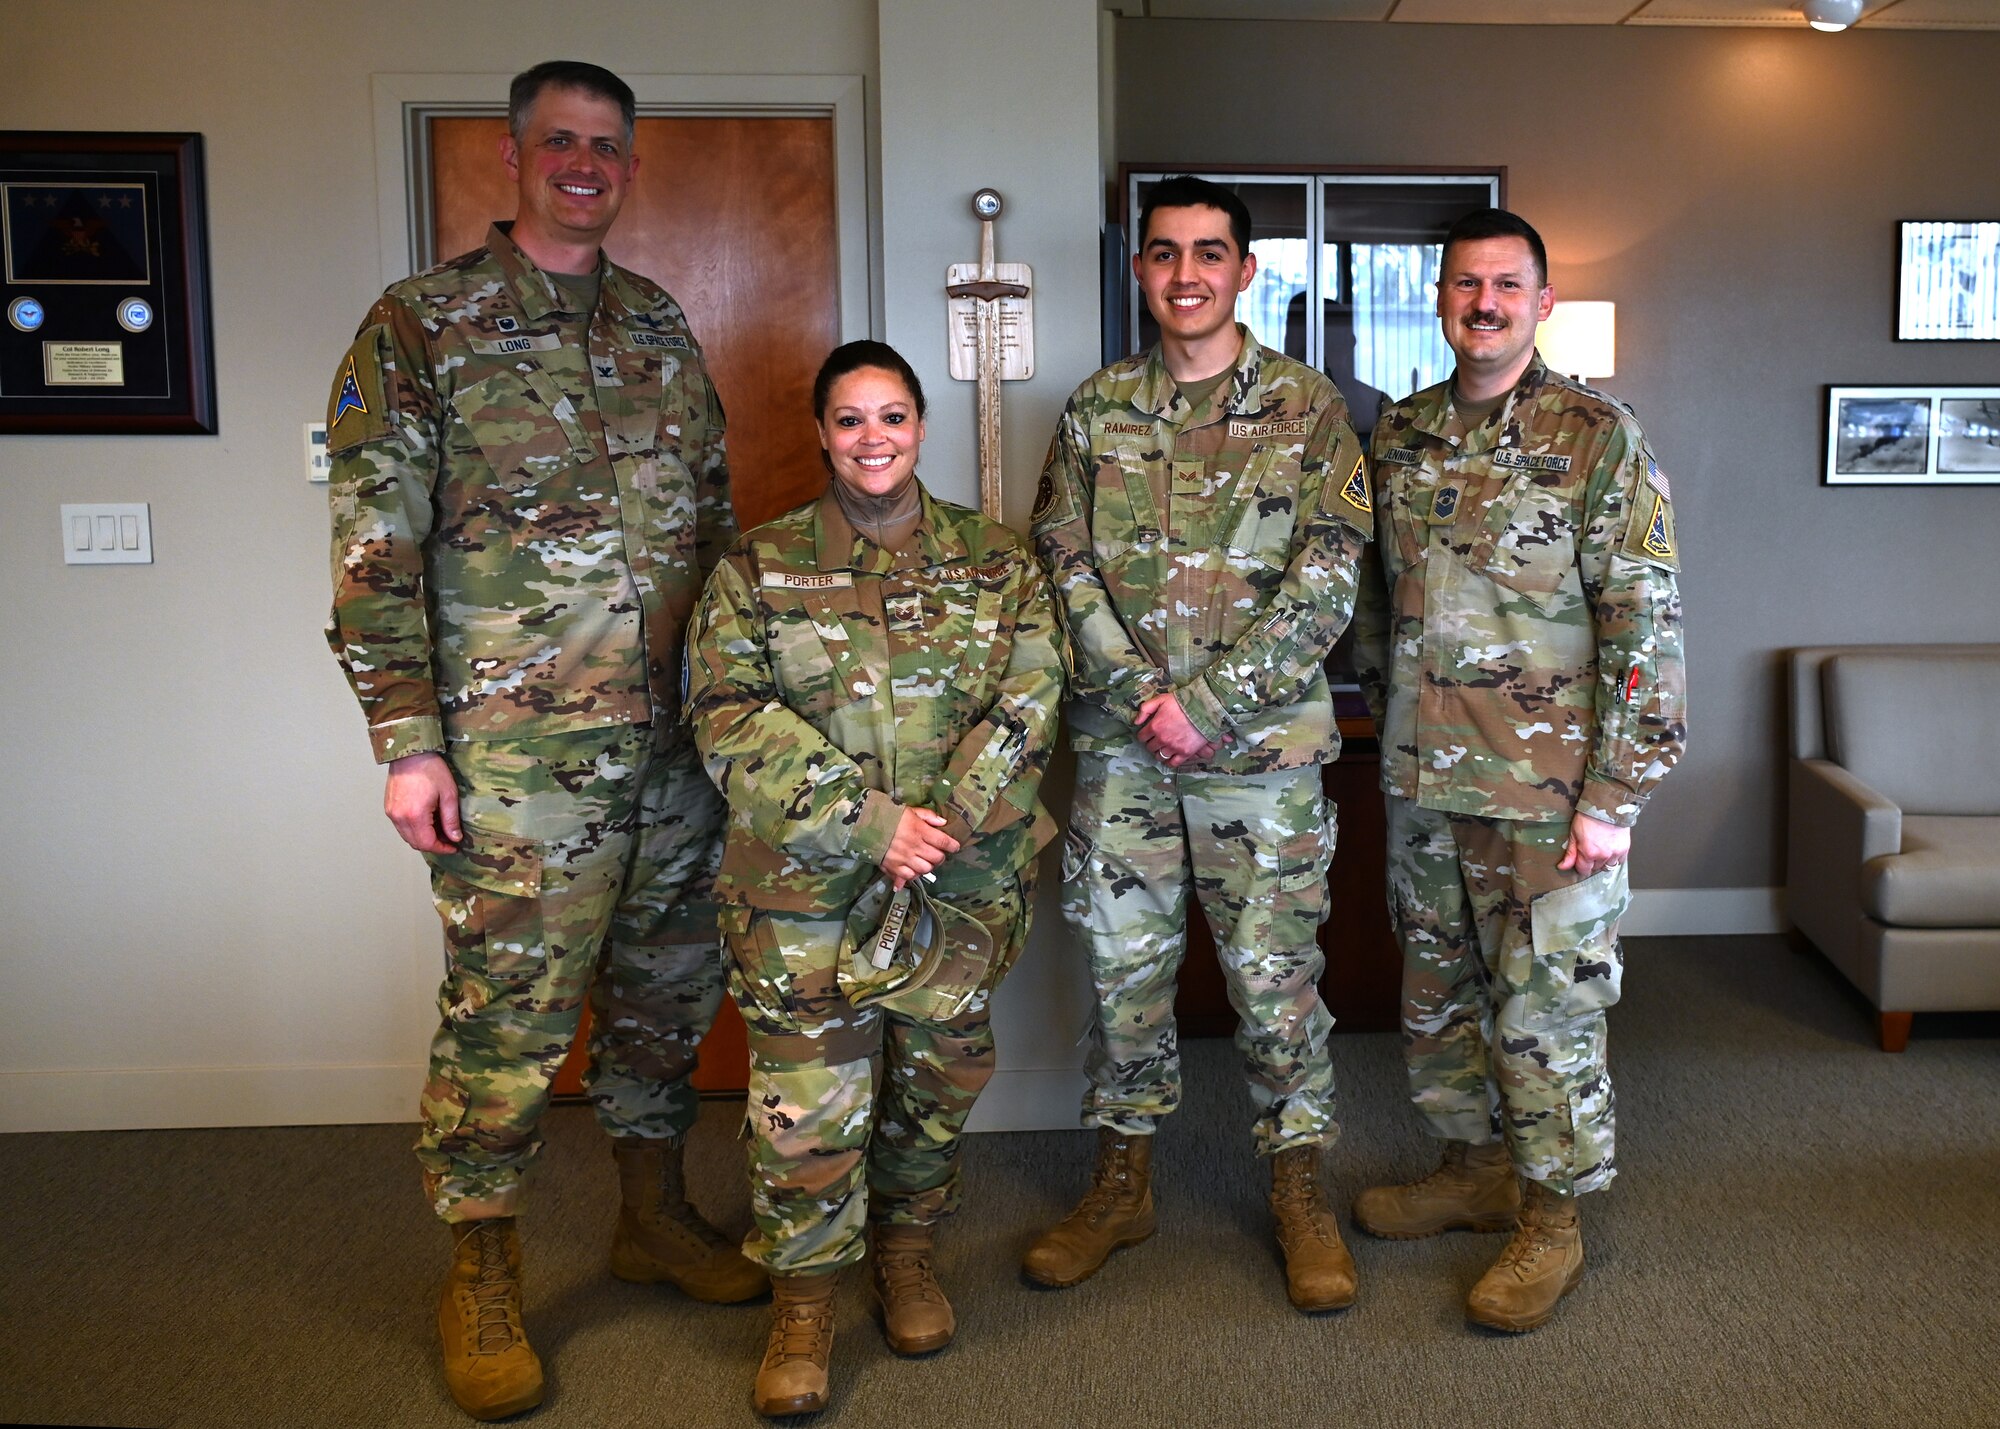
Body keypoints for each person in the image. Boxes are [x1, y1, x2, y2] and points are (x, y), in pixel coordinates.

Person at [323, 60, 761, 1421]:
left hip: (678, 750)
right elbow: (369, 551)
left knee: (666, 997)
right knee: (505, 1021)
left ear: (629, 168)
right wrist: (409, 739)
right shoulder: (421, 325)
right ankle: (483, 1264)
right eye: (561, 142)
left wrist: (744, 708)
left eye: (608, 147)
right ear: (512, 160)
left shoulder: (658, 322)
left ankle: (652, 1214)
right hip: (517, 760)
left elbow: (716, 526)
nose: (586, 163)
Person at [686, 340, 1064, 1416]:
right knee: (806, 1106)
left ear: (921, 427)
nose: (872, 439)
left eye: (891, 416)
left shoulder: (997, 563)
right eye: (849, 419)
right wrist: (873, 823)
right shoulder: (754, 569)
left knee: (932, 1089)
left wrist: (931, 830)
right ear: (820, 432)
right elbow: (725, 717)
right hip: (804, 891)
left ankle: (905, 1252)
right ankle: (802, 1302)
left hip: (958, 878)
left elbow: (1032, 695)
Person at [1026, 175, 1374, 1310]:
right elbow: (1062, 562)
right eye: (1164, 253)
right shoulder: (1093, 412)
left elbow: (1327, 581)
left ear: (1242, 271)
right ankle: (1121, 1182)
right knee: (1124, 975)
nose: (1186, 274)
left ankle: (1297, 1186)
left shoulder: (1307, 408)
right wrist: (1142, 696)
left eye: (1208, 253)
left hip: (1259, 755)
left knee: (1272, 982)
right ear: (1139, 268)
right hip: (1127, 750)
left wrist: (1210, 703)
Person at [1349, 208, 1687, 1332]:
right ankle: (1471, 1167)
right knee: (1438, 998)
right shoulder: (1397, 438)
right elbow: (1373, 608)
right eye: (1462, 284)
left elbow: (1646, 624)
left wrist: (1614, 798)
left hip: (1547, 801)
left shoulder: (1595, 435)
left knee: (1546, 1013)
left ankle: (1550, 1216)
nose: (1481, 303)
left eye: (1504, 285)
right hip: (1424, 788)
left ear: (1540, 303)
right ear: (1438, 300)